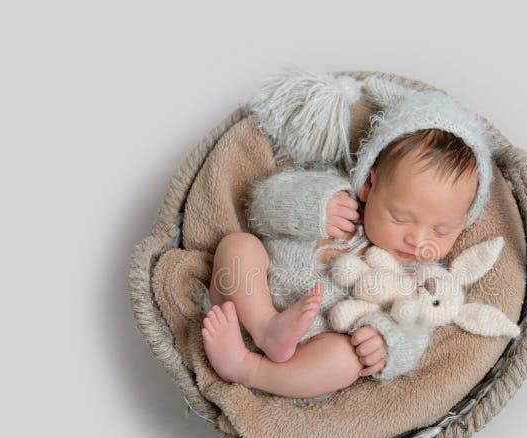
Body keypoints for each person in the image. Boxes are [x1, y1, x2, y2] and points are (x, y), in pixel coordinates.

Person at [201, 84, 495, 398]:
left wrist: (385, 343)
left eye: (441, 230)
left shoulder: (423, 283)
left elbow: (416, 334)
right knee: (239, 246)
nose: (417, 238)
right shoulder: (336, 195)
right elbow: (262, 205)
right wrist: (316, 207)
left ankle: (247, 368)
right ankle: (265, 327)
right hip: (243, 303)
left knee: (344, 361)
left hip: (308, 351)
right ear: (370, 184)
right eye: (400, 217)